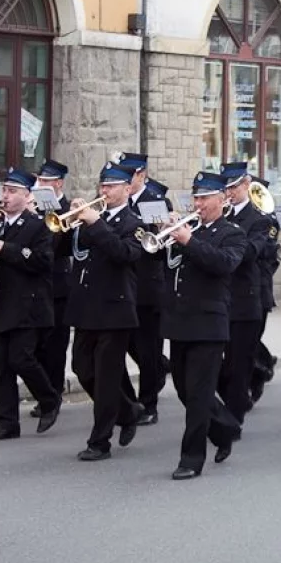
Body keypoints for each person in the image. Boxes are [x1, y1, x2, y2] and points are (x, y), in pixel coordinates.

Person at [161, 171, 245, 480]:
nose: (198, 204)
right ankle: (225, 428)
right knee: (185, 390)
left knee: (198, 395)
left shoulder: (232, 233)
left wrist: (189, 241)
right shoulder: (189, 229)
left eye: (204, 198)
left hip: (209, 324)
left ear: (221, 199)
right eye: (196, 198)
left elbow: (223, 264)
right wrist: (166, 236)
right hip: (181, 320)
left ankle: (191, 459)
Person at [65, 162, 147, 461]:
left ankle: (100, 442)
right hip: (86, 308)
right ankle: (128, 410)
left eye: (111, 186)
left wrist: (95, 223)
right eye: (103, 185)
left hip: (115, 310)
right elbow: (63, 250)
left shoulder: (135, 223)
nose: (105, 190)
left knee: (106, 378)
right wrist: (72, 219)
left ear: (127, 189)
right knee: (82, 369)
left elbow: (125, 254)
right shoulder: (89, 218)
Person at [0, 168, 61, 440]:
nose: (5, 196)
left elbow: (43, 261)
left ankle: (49, 398)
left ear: (27, 196)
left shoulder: (39, 225)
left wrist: (7, 249)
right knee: (1, 368)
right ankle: (7, 423)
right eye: (4, 190)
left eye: (12, 191)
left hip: (28, 306)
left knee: (21, 359)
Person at [119, 153, 173, 426]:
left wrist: (162, 227)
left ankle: (149, 404)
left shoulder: (156, 201)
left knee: (148, 348)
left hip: (147, 286)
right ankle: (136, 393)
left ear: (141, 175)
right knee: (127, 344)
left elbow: (159, 250)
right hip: (121, 286)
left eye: (129, 176)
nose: (124, 182)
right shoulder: (117, 202)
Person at [218, 161, 273, 424]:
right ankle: (237, 399)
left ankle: (234, 417)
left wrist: (225, 236)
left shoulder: (260, 218)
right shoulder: (220, 215)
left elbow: (250, 253)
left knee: (237, 363)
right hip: (218, 298)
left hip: (245, 298)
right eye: (226, 188)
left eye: (234, 187)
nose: (229, 193)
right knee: (214, 363)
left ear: (247, 185)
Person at [31, 159, 72, 418]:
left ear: (58, 183)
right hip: (35, 285)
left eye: (46, 181)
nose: (40, 185)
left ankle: (54, 394)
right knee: (37, 344)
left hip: (58, 285)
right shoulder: (34, 208)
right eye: (40, 180)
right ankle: (43, 392)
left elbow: (59, 246)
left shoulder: (67, 209)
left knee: (56, 345)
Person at [250, 176, 281, 404]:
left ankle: (258, 374)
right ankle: (263, 364)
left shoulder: (267, 221)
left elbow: (270, 256)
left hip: (259, 290)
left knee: (249, 340)